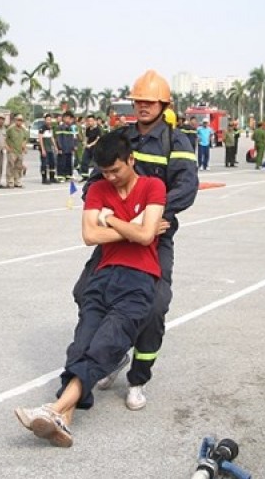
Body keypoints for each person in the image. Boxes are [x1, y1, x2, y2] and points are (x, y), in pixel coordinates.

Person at [15, 131, 168, 447]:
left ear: (131, 160)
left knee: (105, 344)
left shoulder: (153, 186)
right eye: (105, 172)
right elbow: (89, 235)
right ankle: (63, 421)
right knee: (81, 344)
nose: (110, 177)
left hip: (139, 280)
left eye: (116, 170)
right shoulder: (98, 188)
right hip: (102, 277)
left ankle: (55, 408)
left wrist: (110, 220)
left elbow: (146, 237)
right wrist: (134, 228)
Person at [72, 69, 197, 411]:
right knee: (86, 292)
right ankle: (110, 356)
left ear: (163, 104)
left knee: (154, 307)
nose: (142, 105)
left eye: (150, 101)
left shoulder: (176, 142)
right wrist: (98, 208)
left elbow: (186, 188)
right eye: (138, 99)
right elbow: (96, 179)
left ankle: (138, 378)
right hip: (115, 239)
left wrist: (150, 216)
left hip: (153, 239)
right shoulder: (120, 137)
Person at [5, 114, 29, 188]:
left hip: (20, 151)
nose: (19, 121)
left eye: (21, 120)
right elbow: (5, 138)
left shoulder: (23, 130)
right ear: (15, 120)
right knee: (11, 166)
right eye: (18, 120)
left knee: (18, 167)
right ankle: (10, 181)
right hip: (12, 150)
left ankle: (17, 181)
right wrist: (7, 147)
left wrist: (24, 147)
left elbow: (25, 139)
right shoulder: (10, 129)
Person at [56, 111, 76, 182]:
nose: (69, 120)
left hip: (69, 149)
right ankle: (61, 176)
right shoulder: (60, 127)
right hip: (63, 148)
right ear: (64, 118)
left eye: (70, 119)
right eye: (67, 118)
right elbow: (58, 138)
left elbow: (74, 138)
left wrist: (74, 146)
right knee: (62, 163)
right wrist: (59, 148)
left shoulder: (72, 128)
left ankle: (68, 175)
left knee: (69, 163)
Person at [79, 114, 101, 181]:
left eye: (91, 121)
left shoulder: (98, 129)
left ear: (94, 121)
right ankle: (85, 176)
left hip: (95, 148)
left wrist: (90, 145)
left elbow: (97, 139)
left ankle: (95, 177)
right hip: (88, 148)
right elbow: (86, 137)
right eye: (88, 121)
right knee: (84, 161)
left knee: (95, 163)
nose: (89, 122)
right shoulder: (88, 129)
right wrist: (85, 143)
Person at [38, 114, 58, 184]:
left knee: (52, 163)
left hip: (50, 149)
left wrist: (55, 147)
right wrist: (42, 149)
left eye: (50, 119)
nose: (49, 121)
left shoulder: (50, 128)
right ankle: (44, 179)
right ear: (45, 120)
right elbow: (40, 139)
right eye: (47, 120)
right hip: (44, 148)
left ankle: (52, 178)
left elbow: (52, 137)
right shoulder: (42, 128)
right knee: (44, 164)